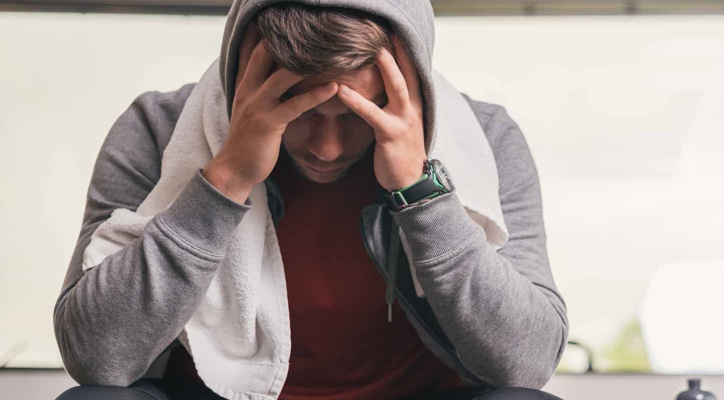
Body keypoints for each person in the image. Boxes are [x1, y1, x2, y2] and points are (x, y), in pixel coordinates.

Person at [53, 1, 568, 399]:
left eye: (355, 116)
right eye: (297, 111)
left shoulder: (487, 138)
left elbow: (525, 364)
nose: (328, 149)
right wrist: (224, 179)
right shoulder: (154, 130)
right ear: (241, 83)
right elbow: (97, 360)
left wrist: (422, 191)